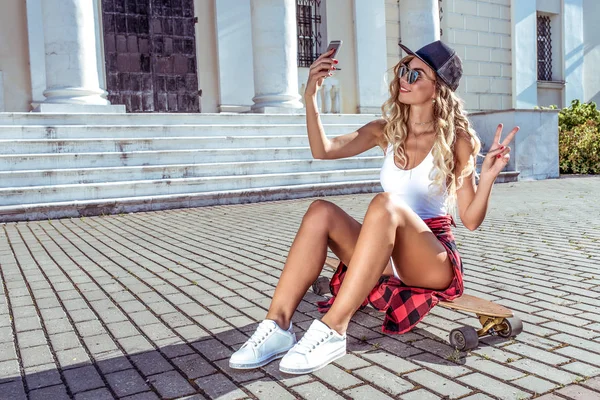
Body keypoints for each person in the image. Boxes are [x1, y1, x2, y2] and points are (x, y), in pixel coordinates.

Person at [228, 40, 518, 375]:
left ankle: (334, 330)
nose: (404, 79)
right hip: (381, 250)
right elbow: (323, 150)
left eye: (416, 73)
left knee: (386, 204)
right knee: (320, 210)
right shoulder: (386, 131)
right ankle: (277, 327)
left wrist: (488, 179)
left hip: (430, 258)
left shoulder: (458, 141)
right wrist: (310, 97)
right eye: (402, 70)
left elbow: (469, 219)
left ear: (438, 88)